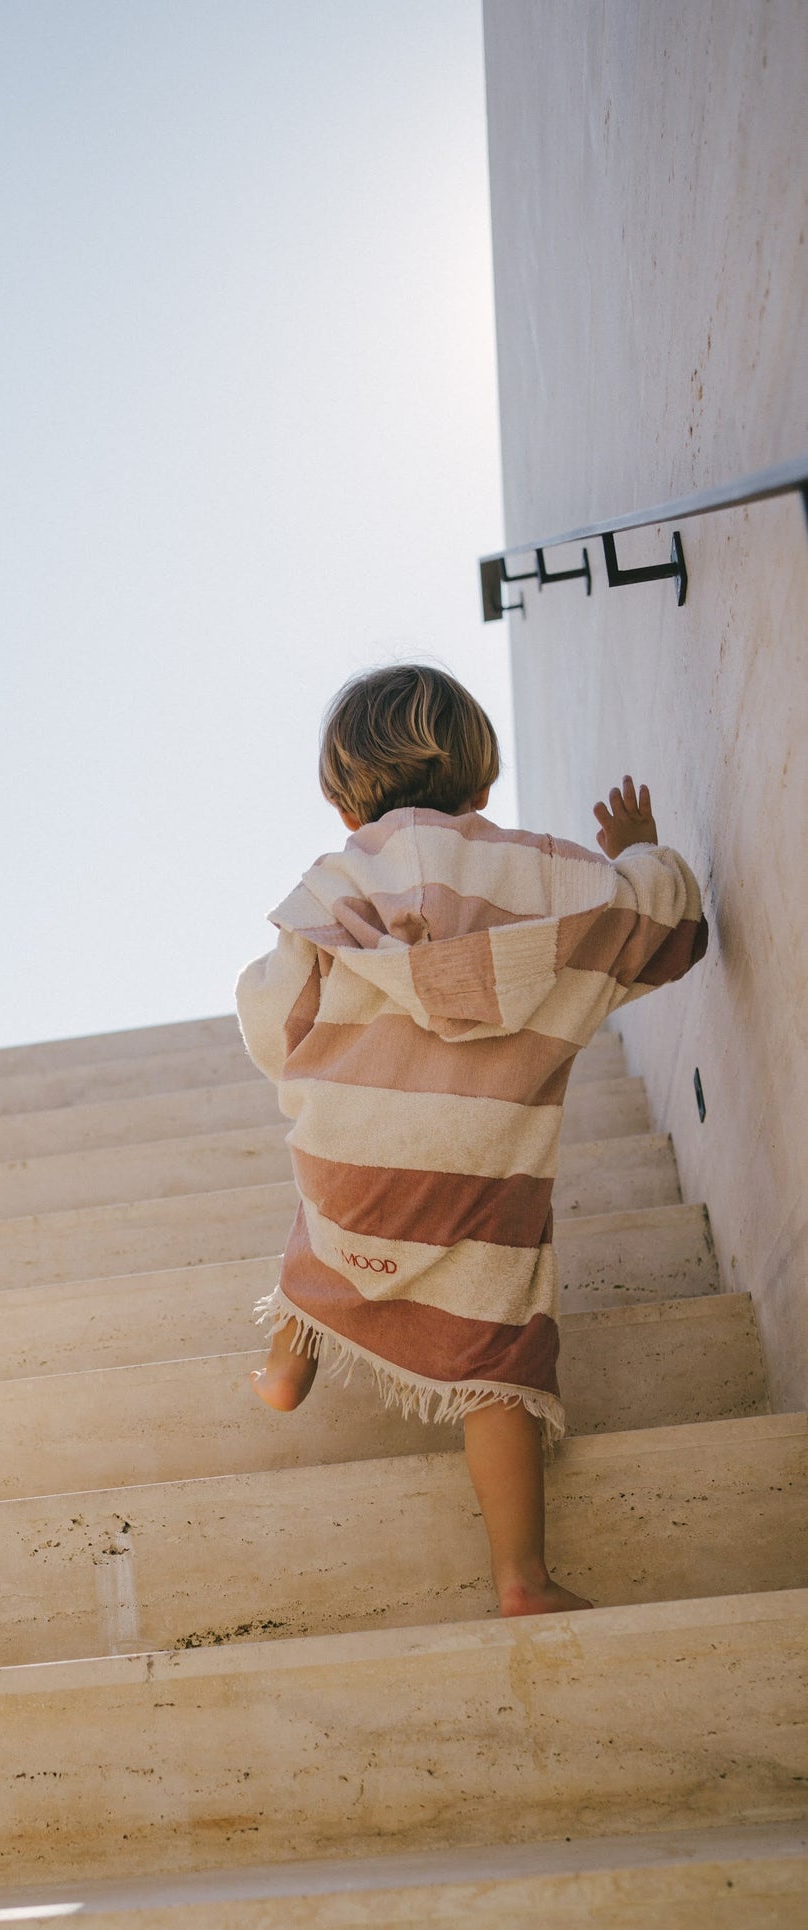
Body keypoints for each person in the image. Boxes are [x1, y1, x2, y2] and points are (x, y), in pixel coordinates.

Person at [236, 664, 707, 1616]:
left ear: (341, 801)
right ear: (482, 782)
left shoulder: (332, 887)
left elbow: (268, 1009)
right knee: (499, 1364)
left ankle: (288, 1365)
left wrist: (317, 1062)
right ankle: (520, 1579)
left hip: (357, 1174)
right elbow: (661, 929)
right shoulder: (547, 876)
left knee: (328, 1195)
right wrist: (644, 855)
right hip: (481, 1182)